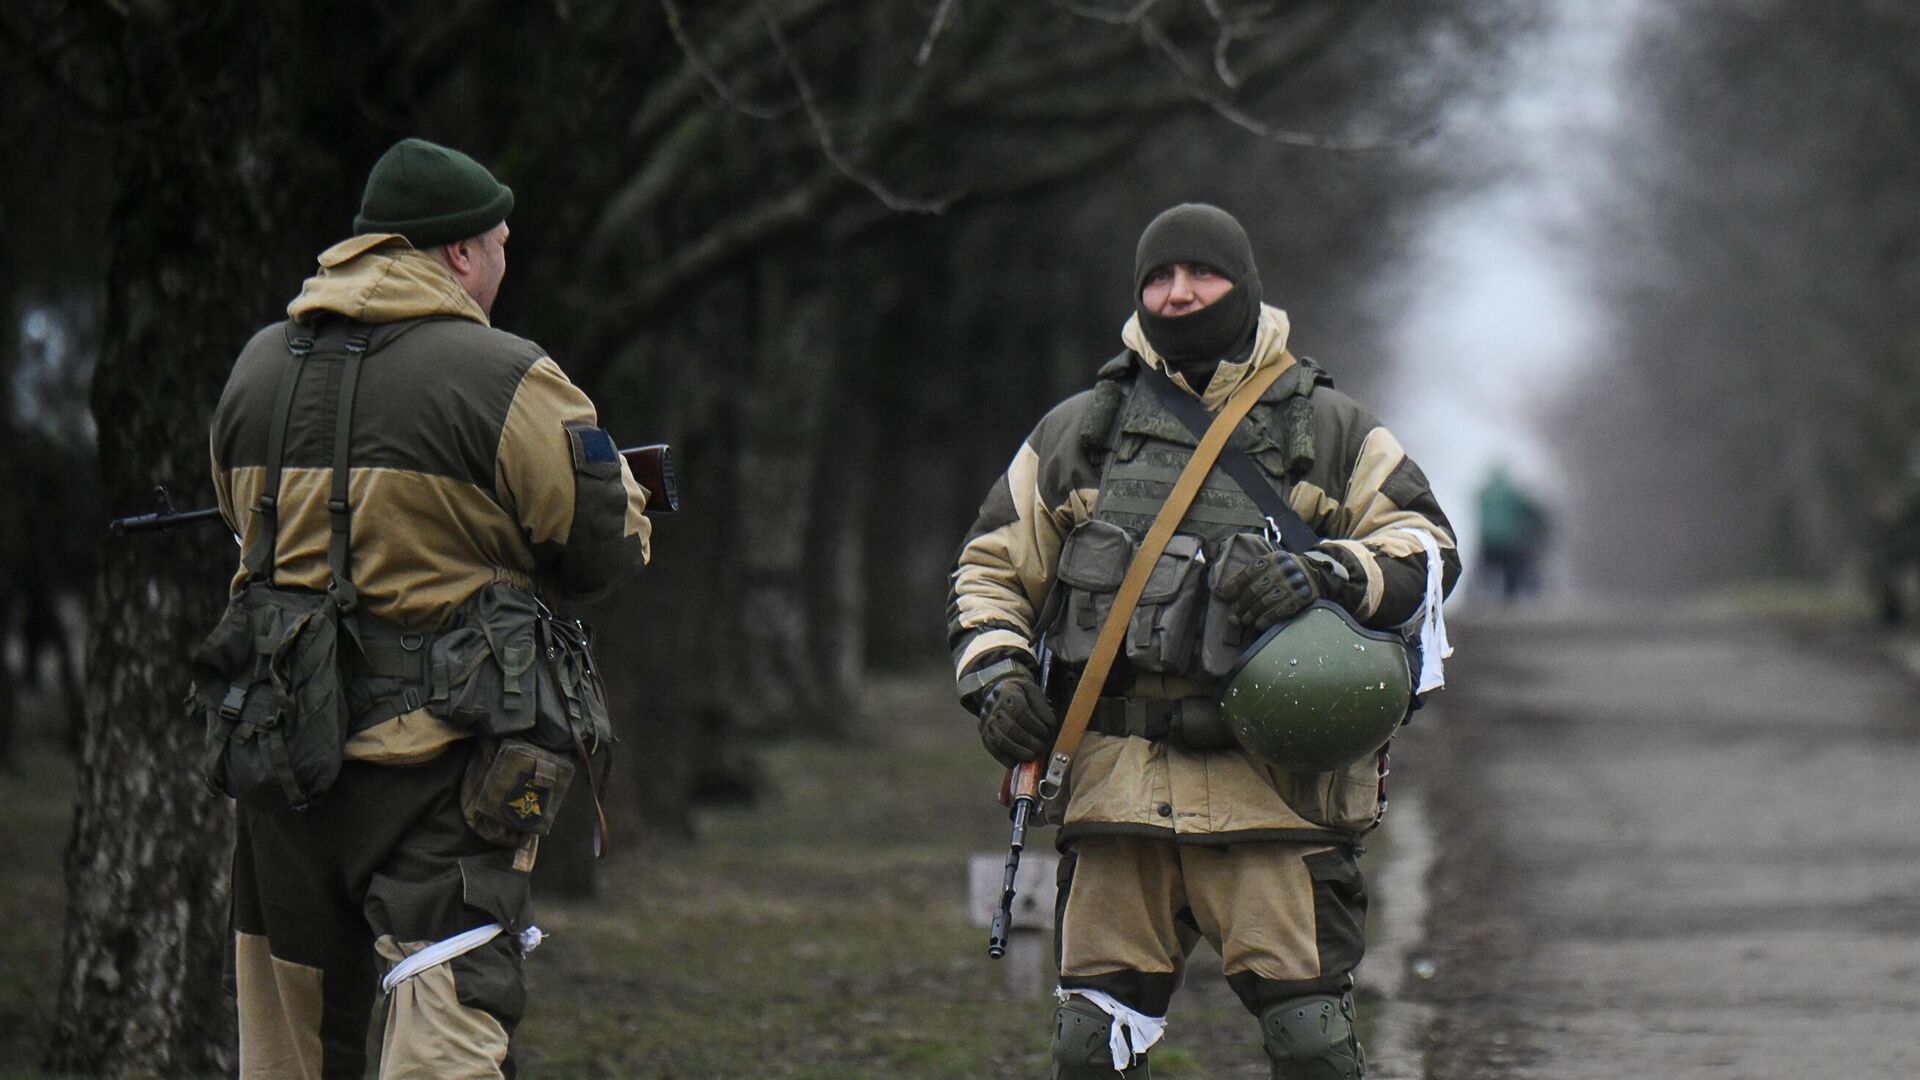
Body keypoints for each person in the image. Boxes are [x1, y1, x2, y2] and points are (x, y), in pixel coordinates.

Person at [948, 203, 1458, 1079]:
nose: (1178, 294)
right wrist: (995, 678)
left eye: (1200, 274)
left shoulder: (1330, 430)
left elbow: (1425, 549)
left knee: (1313, 1046)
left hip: (1277, 797)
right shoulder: (1078, 435)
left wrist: (1327, 573)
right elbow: (990, 571)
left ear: (1245, 284)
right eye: (1158, 277)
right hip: (1116, 796)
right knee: (1087, 1048)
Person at [206, 137, 651, 1078]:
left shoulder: (252, 370)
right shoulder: (506, 376)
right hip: (444, 768)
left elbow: (239, 530)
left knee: (286, 1043)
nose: (501, 265)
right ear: (458, 253)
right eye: (498, 244)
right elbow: (604, 544)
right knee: (447, 1023)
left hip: (283, 755)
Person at [1473, 464, 1550, 601]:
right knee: (1512, 572)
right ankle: (1509, 602)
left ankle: (1481, 599)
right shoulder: (1513, 493)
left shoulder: (1485, 493)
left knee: (1486, 572)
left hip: (1488, 541)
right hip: (1509, 541)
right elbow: (1530, 510)